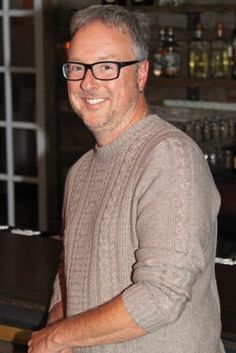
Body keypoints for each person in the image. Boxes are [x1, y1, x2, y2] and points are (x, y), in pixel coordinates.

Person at [28, 4, 225, 353]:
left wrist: (58, 336)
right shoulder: (80, 172)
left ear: (141, 74)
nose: (88, 82)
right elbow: (69, 271)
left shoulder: (169, 157)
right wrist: (56, 325)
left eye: (106, 66)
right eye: (77, 67)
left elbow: (160, 296)